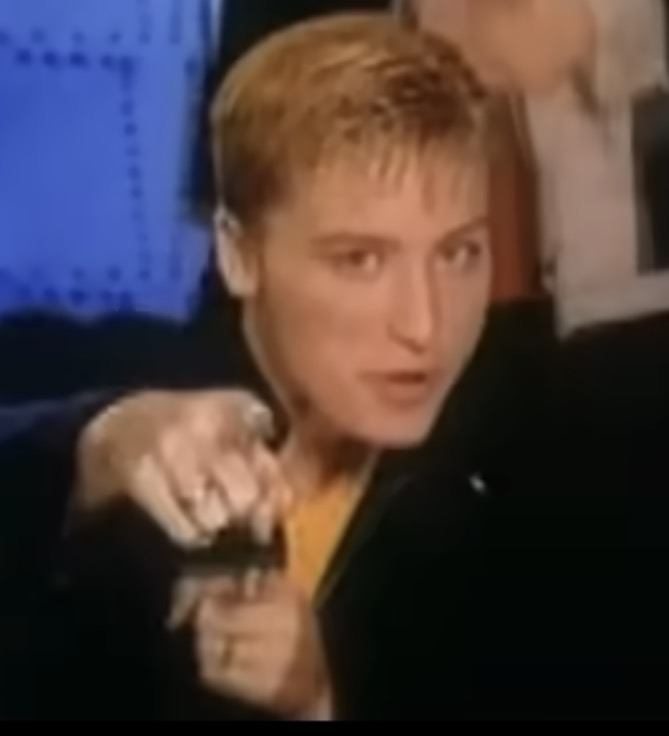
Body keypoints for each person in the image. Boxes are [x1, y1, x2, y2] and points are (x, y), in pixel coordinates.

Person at [0, 11, 635, 721]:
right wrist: (104, 443)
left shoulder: (559, 490)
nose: (425, 325)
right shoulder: (119, 382)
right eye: (360, 260)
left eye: (458, 253)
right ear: (238, 254)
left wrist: (315, 707)